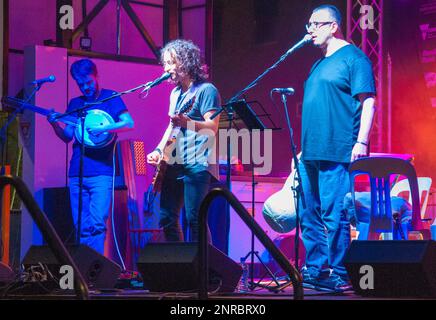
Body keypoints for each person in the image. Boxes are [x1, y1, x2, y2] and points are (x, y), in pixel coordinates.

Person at [298, 5, 376, 292]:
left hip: (337, 147)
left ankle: (341, 272)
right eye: (308, 24)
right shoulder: (318, 64)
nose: (309, 31)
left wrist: (362, 141)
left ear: (333, 26)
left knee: (334, 213)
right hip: (310, 151)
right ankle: (316, 269)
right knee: (308, 213)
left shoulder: (354, 59)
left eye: (315, 24)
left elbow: (368, 101)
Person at [48, 59, 134, 254]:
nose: (85, 87)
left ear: (96, 76)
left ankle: (96, 271)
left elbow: (128, 123)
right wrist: (54, 123)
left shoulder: (110, 98)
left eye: (88, 82)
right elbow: (68, 137)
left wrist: (105, 127)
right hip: (77, 172)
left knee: (97, 224)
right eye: (80, 84)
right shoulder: (76, 104)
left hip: (101, 173)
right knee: (81, 226)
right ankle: (85, 274)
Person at [147, 39, 221, 242]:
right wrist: (159, 150)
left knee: (194, 218)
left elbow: (212, 127)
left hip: (197, 163)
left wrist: (188, 122)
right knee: (167, 217)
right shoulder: (176, 93)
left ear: (185, 62)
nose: (166, 68)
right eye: (165, 63)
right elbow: (173, 126)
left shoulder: (207, 90)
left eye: (171, 63)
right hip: (174, 162)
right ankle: (179, 267)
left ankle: (203, 268)